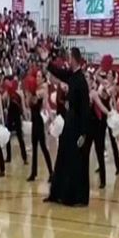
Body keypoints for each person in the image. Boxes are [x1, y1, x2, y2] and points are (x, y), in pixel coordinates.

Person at [45, 48, 91, 207]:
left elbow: (85, 109)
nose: (67, 60)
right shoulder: (72, 76)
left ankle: (76, 197)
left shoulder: (81, 81)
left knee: (76, 162)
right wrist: (47, 61)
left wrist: (84, 134)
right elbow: (59, 73)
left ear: (75, 59)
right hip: (69, 123)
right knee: (63, 156)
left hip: (78, 126)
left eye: (69, 58)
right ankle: (57, 194)